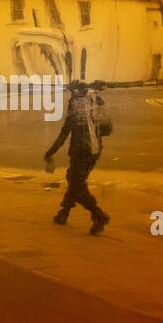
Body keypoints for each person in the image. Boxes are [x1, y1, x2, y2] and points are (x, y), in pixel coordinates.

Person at [44, 81, 111, 235]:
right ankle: (63, 213)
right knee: (75, 181)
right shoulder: (97, 100)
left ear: (74, 92)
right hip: (95, 151)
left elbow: (65, 132)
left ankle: (98, 215)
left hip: (80, 151)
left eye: (71, 91)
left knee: (76, 183)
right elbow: (107, 129)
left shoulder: (74, 105)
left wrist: (50, 152)